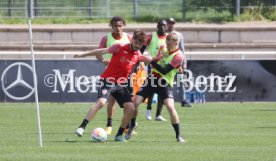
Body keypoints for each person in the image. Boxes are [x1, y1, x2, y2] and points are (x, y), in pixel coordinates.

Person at [74, 30, 151, 141]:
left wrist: (149, 62)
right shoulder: (119, 47)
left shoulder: (138, 55)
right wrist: (82, 54)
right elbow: (101, 51)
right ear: (132, 39)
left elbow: (147, 60)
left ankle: (119, 135)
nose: (137, 45)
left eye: (140, 44)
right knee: (101, 103)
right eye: (136, 42)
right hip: (107, 80)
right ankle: (82, 127)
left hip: (121, 84)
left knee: (131, 109)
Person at [127, 32, 186, 143]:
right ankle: (133, 124)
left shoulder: (179, 56)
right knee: (135, 103)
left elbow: (164, 70)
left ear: (176, 43)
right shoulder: (163, 48)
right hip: (152, 79)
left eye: (169, 44)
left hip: (165, 83)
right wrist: (147, 60)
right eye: (166, 42)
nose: (167, 45)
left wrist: (150, 61)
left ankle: (178, 135)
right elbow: (156, 61)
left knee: (170, 107)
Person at [96, 16, 133, 135]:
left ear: (124, 26)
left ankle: (126, 127)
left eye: (120, 25)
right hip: (112, 74)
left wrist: (141, 62)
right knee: (111, 100)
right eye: (115, 26)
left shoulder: (129, 38)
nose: (118, 28)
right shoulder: (106, 38)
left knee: (127, 102)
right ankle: (109, 125)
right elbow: (98, 53)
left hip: (127, 74)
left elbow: (137, 53)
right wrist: (103, 60)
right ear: (111, 26)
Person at [140, 19, 168, 121]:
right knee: (151, 89)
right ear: (157, 26)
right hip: (151, 66)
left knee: (162, 90)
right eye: (160, 25)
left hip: (163, 68)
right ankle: (149, 110)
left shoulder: (169, 38)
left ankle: (158, 114)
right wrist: (142, 60)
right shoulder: (151, 36)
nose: (162, 27)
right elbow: (141, 50)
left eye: (164, 25)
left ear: (167, 27)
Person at [166, 17, 192, 107]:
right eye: (169, 23)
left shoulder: (179, 35)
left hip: (176, 61)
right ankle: (164, 100)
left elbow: (182, 49)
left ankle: (183, 99)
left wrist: (184, 63)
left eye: (172, 23)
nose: (171, 24)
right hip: (166, 61)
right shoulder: (163, 34)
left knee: (180, 80)